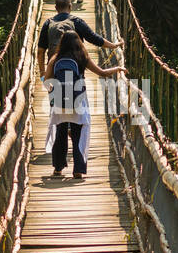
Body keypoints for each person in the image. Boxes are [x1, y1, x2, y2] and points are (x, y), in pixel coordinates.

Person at [44, 30, 125, 182]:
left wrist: (56, 93)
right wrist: (118, 69)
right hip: (78, 101)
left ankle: (58, 168)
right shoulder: (82, 57)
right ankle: (78, 171)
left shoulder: (55, 59)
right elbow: (102, 72)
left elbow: (47, 81)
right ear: (78, 43)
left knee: (61, 133)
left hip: (60, 103)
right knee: (78, 134)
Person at [38, 0, 121, 77]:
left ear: (56, 8)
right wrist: (113, 45)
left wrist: (42, 73)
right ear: (70, 6)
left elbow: (40, 51)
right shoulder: (77, 22)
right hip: (76, 66)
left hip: (54, 70)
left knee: (55, 88)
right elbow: (94, 38)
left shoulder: (48, 24)